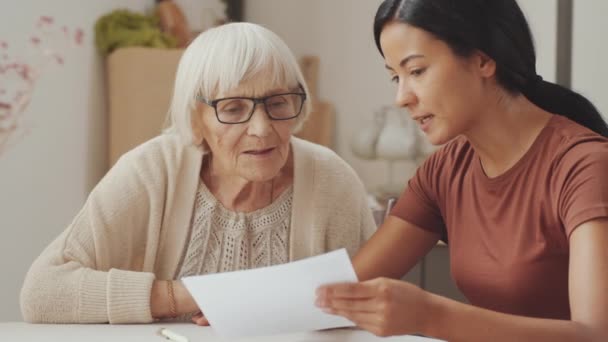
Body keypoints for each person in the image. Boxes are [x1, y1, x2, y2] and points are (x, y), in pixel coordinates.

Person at [21, 22, 376, 325]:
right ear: (195, 119)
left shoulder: (332, 180)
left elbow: (372, 309)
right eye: (233, 108)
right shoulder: (152, 171)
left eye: (277, 102)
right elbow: (43, 293)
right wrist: (204, 295)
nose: (262, 128)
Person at [315, 0, 608, 340]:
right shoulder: (445, 170)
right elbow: (341, 295)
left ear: (483, 59)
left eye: (417, 71)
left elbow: (596, 334)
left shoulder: (585, 165)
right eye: (396, 76)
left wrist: (430, 315)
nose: (401, 97)